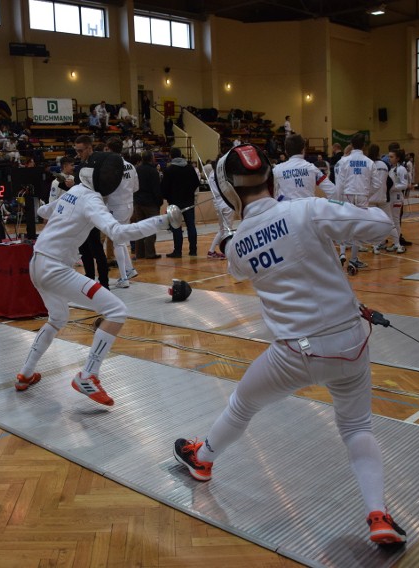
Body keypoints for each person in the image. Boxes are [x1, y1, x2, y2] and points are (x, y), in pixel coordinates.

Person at [172, 143, 406, 548]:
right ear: (272, 176)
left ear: (229, 191)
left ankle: (203, 460)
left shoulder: (241, 243)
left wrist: (236, 236)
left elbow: (239, 263)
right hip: (351, 344)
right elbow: (382, 227)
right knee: (356, 426)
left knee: (243, 404)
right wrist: (336, 214)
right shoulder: (307, 210)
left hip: (294, 355)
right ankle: (378, 515)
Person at [14, 152, 179, 404]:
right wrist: (161, 221)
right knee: (116, 311)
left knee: (58, 318)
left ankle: (25, 374)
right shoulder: (90, 199)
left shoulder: (74, 191)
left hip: (37, 262)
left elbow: (47, 210)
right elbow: (118, 234)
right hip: (54, 269)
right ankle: (87, 374)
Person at [74, 135, 110, 289]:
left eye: (81, 151)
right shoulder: (80, 167)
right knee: (84, 249)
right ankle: (89, 280)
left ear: (89, 148)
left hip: (94, 211)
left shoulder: (100, 164)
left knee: (96, 248)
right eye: (77, 151)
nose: (78, 154)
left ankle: (104, 283)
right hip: (81, 213)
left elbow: (103, 188)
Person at [336, 134, 374, 269]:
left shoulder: (344, 161)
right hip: (362, 195)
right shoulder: (369, 162)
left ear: (351, 144)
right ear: (363, 145)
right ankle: (353, 259)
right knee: (358, 227)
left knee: (345, 224)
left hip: (347, 194)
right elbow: (376, 183)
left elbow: (340, 183)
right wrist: (368, 193)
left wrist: (339, 199)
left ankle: (341, 253)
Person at [105, 137, 139, 287]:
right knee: (122, 239)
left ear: (110, 149)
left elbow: (106, 189)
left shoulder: (111, 167)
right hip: (129, 205)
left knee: (117, 241)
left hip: (116, 206)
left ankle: (124, 278)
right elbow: (136, 187)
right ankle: (130, 269)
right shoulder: (130, 166)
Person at [161, 147, 200, 257]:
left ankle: (178, 251)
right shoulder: (189, 168)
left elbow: (164, 187)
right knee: (191, 225)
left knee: (176, 226)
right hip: (189, 201)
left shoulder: (169, 170)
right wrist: (189, 193)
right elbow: (196, 183)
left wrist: (168, 197)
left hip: (174, 203)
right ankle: (193, 250)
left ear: (171, 156)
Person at [272, 135, 336, 200]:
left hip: (286, 208)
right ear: (303, 150)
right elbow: (332, 190)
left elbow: (270, 194)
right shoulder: (312, 168)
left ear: (286, 152)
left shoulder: (277, 170)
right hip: (309, 208)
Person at [367, 144, 397, 254]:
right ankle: (398, 245)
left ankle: (376, 247)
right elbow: (390, 182)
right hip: (383, 197)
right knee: (391, 222)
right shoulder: (384, 165)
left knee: (373, 223)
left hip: (371, 198)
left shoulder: (368, 164)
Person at [134, 150, 163, 260]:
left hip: (138, 202)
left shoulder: (137, 170)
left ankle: (139, 253)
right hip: (150, 203)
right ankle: (150, 253)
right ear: (152, 158)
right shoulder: (153, 171)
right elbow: (156, 188)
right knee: (151, 227)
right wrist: (159, 202)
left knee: (139, 228)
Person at [203, 162, 232, 260]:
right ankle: (228, 252)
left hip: (217, 204)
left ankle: (211, 251)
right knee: (227, 230)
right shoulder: (221, 174)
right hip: (225, 203)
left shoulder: (211, 174)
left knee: (222, 230)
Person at [386, 150, 408, 253]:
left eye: (391, 157)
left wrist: (392, 188)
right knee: (390, 220)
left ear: (397, 158)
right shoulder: (391, 169)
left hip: (397, 197)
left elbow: (405, 184)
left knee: (395, 220)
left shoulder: (401, 169)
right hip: (390, 197)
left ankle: (397, 243)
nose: (389, 158)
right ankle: (394, 242)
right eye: (389, 157)